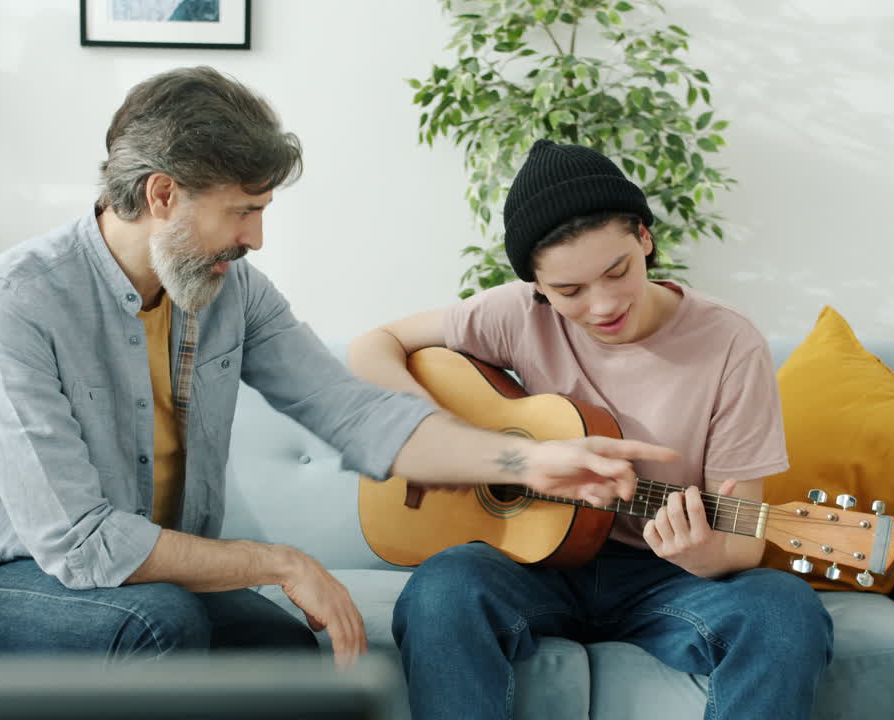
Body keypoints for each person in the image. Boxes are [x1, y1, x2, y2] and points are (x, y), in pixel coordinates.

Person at [0, 68, 675, 669]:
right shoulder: (16, 302)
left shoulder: (230, 293)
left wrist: (534, 459)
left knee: (288, 659)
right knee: (159, 625)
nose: (257, 238)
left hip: (144, 577)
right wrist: (277, 563)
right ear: (163, 195)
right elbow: (80, 546)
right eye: (243, 210)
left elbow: (358, 413)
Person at [348, 139, 833, 719]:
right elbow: (372, 345)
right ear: (536, 286)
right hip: (533, 566)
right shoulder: (515, 315)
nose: (602, 306)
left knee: (784, 609)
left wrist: (704, 554)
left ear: (644, 239)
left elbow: (746, 539)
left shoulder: (730, 343)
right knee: (442, 589)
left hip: (667, 576)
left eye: (617, 271)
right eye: (569, 292)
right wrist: (447, 439)